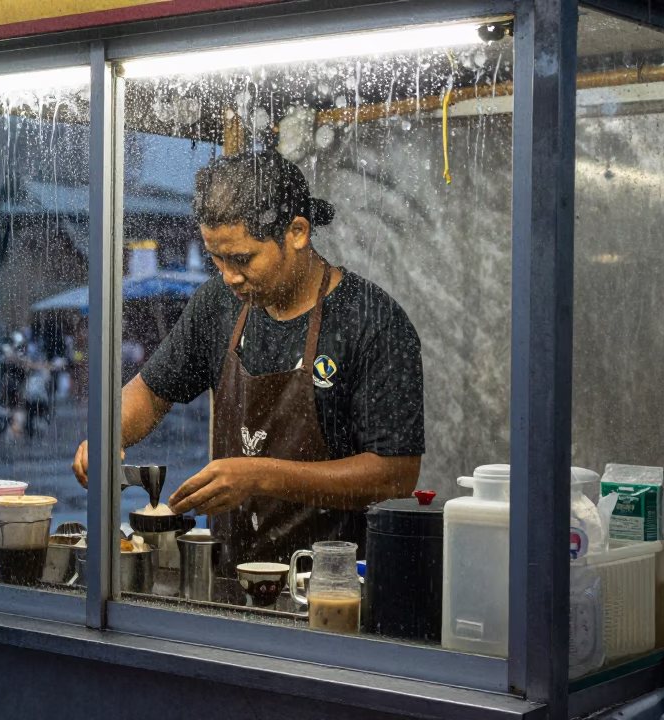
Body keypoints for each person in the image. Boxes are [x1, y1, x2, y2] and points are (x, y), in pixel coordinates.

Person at [72, 151, 424, 571]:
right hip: (227, 577)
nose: (228, 276)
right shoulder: (217, 304)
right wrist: (109, 435)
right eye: (215, 258)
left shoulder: (371, 319)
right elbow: (151, 392)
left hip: (332, 583)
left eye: (242, 259)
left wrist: (259, 476)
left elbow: (397, 473)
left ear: (296, 232)